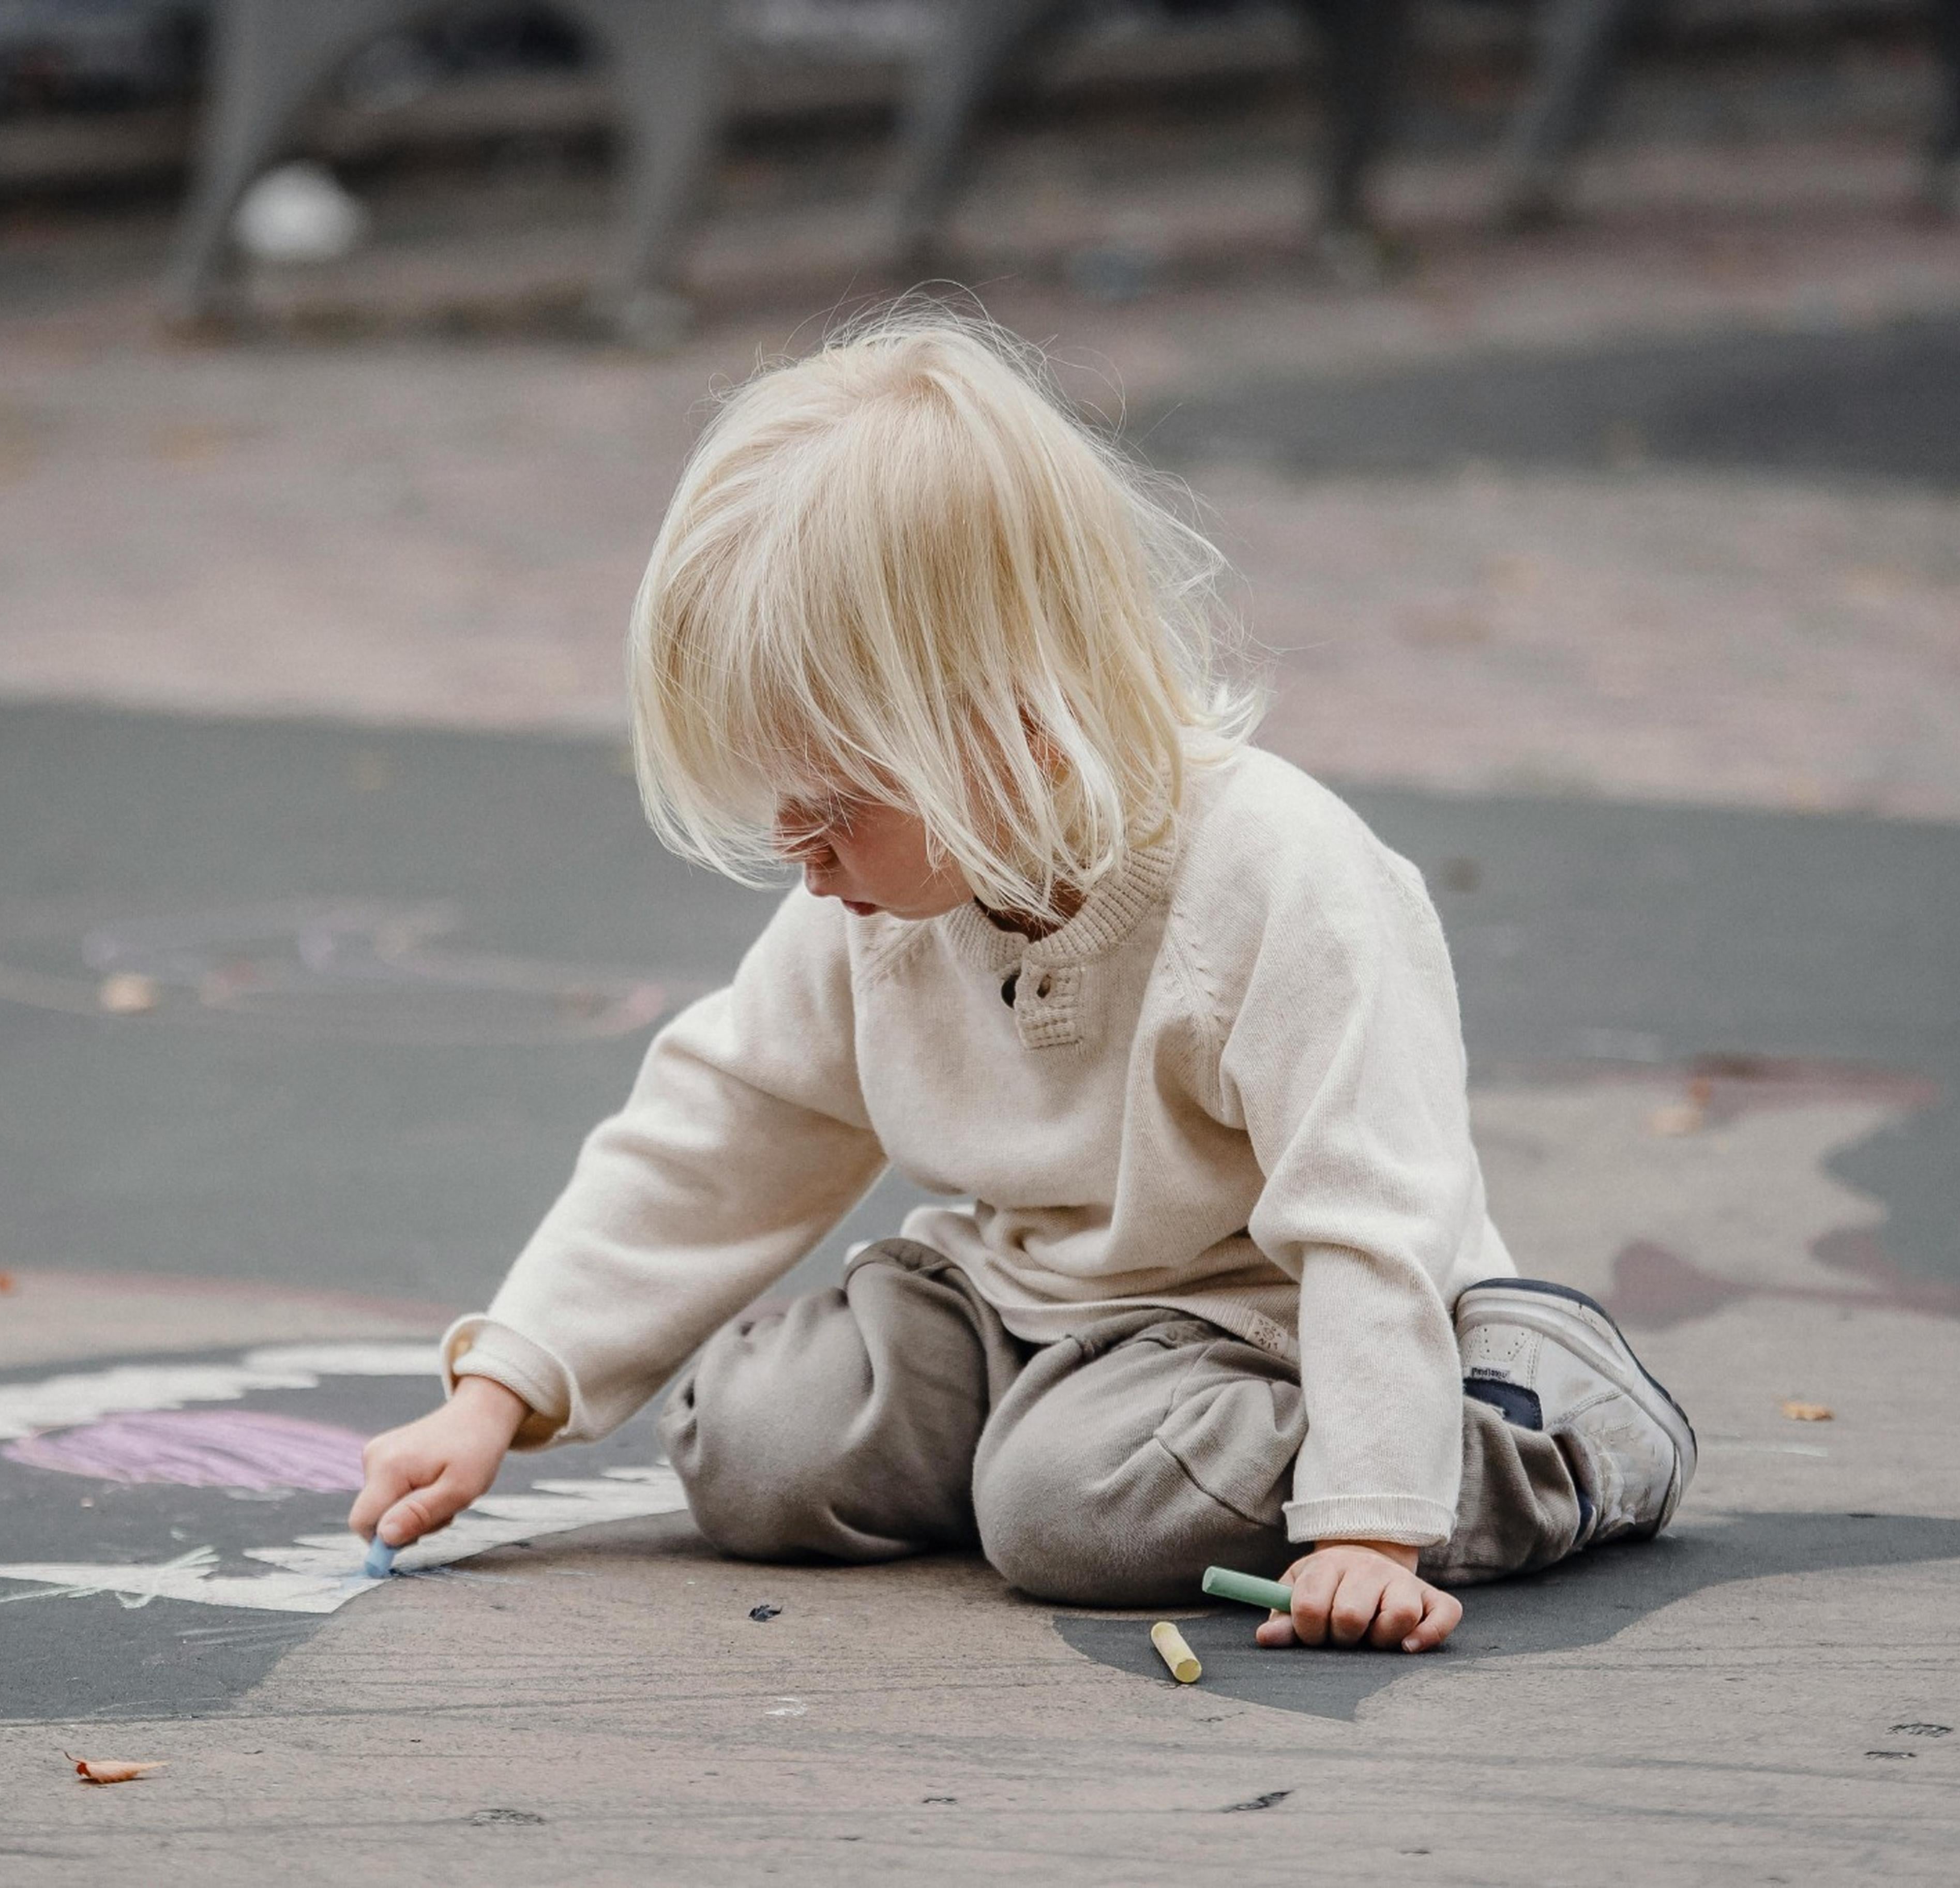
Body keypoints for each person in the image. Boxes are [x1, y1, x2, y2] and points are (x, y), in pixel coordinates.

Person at [349, 307, 1694, 1652]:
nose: (802, 864)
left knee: (1076, 1510)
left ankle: (1534, 1434)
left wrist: (1369, 1523)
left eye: (831, 813)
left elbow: (1367, 1219)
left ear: (1020, 725)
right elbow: (726, 1126)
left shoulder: (1278, 877)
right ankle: (1036, 1452)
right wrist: (499, 1388)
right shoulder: (883, 897)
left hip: (1261, 1326)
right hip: (1021, 1307)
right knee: (755, 1444)